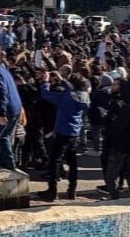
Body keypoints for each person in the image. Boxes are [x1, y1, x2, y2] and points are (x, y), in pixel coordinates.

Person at [37, 72, 90, 201]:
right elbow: (70, 89)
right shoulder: (84, 96)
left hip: (62, 131)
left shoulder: (67, 97)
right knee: (72, 162)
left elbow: (47, 95)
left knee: (55, 160)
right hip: (74, 132)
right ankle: (72, 190)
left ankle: (52, 191)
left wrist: (45, 82)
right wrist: (62, 80)